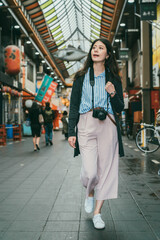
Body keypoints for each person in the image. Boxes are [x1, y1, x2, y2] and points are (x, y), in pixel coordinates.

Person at [68, 38, 124, 230]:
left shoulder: (114, 78)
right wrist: (70, 132)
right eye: (94, 47)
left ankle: (97, 213)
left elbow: (120, 108)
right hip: (85, 123)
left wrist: (113, 93)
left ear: (107, 55)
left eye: (101, 48)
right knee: (90, 171)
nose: (96, 50)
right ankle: (90, 192)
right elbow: (74, 106)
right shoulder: (81, 77)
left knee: (106, 172)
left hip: (108, 124)